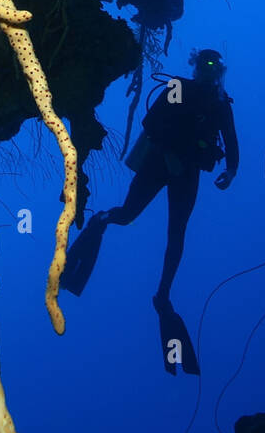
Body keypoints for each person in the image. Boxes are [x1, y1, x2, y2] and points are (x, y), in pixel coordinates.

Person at [60, 48, 239, 372]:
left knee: (177, 234)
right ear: (196, 67)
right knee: (126, 216)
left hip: (186, 171)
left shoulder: (220, 103)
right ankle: (100, 221)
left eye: (213, 66)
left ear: (219, 71)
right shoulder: (178, 88)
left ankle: (163, 295)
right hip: (159, 162)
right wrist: (179, 147)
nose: (208, 70)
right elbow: (150, 121)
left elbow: (231, 139)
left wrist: (232, 168)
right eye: (203, 64)